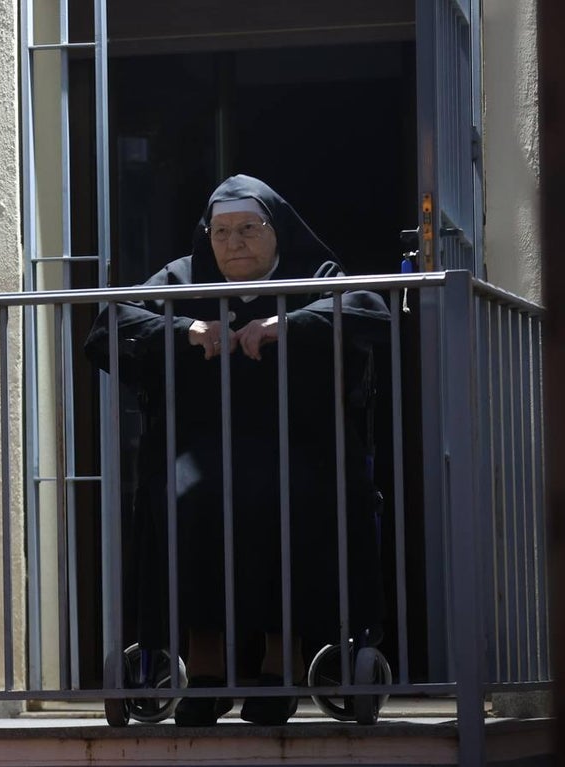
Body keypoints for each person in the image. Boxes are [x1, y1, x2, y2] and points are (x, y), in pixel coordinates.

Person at [84, 174, 389, 726]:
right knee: (185, 497)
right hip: (197, 450)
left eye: (249, 228)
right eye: (221, 232)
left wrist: (284, 325)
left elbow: (369, 308)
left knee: (283, 495)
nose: (234, 243)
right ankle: (205, 672)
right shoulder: (181, 277)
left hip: (298, 446)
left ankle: (281, 665)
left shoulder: (312, 275)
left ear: (277, 232)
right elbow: (108, 324)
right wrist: (187, 330)